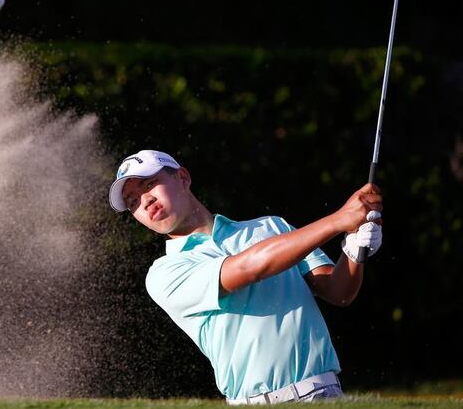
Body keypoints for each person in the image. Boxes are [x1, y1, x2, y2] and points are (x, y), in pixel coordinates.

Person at [108, 149, 383, 404]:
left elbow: (338, 292)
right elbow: (250, 268)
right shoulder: (164, 273)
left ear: (182, 177)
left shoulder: (272, 227)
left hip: (324, 393)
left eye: (148, 184)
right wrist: (338, 220)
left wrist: (354, 248)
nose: (145, 201)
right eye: (132, 202)